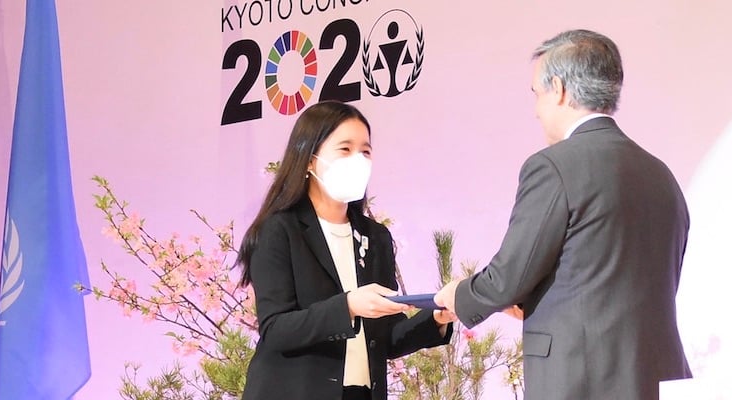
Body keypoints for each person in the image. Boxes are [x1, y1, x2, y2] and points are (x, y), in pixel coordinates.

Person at [434, 29, 692, 400]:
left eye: (537, 95)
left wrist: (460, 296)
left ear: (558, 89)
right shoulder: (660, 173)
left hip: (580, 377)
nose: (537, 110)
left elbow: (509, 276)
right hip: (654, 376)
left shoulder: (552, 166)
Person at [238, 101, 454, 400]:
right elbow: (276, 329)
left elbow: (387, 337)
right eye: (345, 149)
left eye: (365, 151)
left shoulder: (374, 236)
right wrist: (348, 306)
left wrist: (437, 318)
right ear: (310, 160)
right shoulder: (279, 230)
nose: (358, 160)